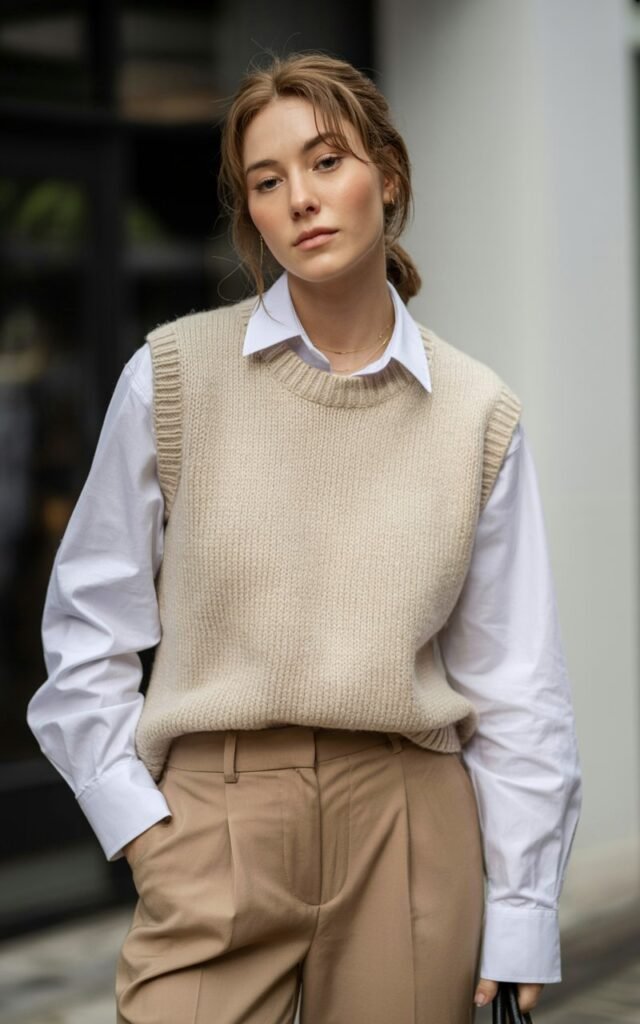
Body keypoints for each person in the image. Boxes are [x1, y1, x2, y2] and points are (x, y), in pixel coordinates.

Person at [26, 51, 582, 1023]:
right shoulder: (173, 376)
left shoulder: (474, 412)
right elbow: (86, 628)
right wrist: (144, 832)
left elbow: (516, 681)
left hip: (412, 825)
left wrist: (524, 902)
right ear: (251, 212)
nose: (301, 200)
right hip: (214, 815)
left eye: (326, 162)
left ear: (389, 176)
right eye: (267, 181)